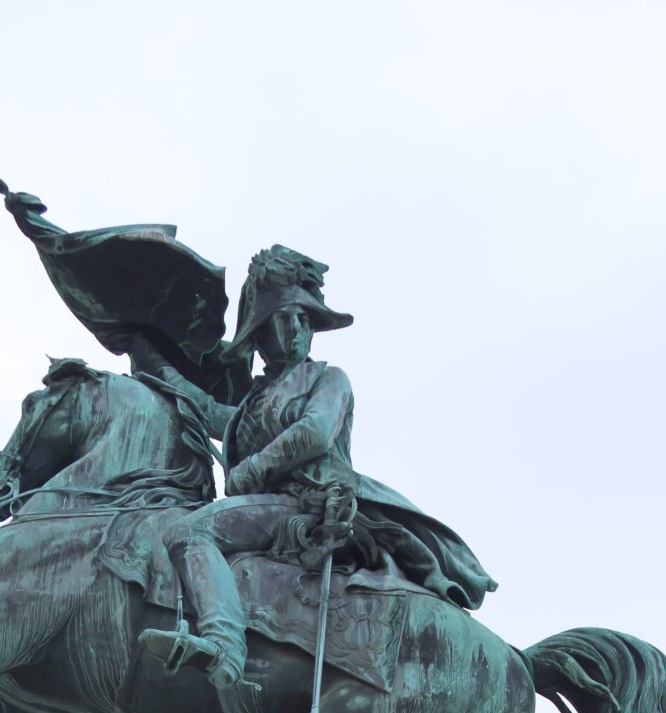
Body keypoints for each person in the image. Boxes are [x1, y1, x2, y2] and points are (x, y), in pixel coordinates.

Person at [139, 246, 496, 689]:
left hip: (308, 503)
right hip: (271, 505)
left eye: (303, 320)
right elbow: (211, 411)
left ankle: (224, 645)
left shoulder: (329, 379)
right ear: (260, 333)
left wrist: (253, 467)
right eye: (283, 320)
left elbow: (316, 431)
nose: (294, 331)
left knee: (189, 532)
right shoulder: (254, 401)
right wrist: (152, 364)